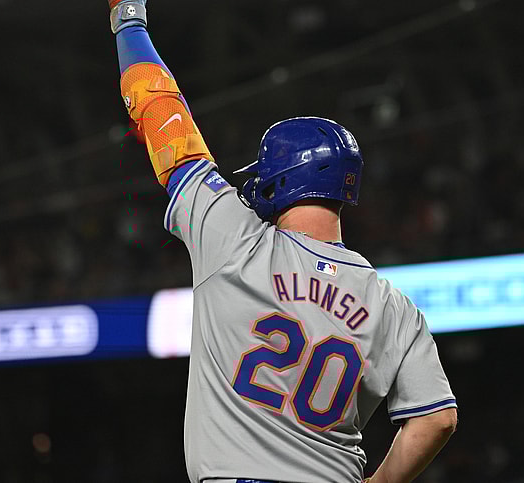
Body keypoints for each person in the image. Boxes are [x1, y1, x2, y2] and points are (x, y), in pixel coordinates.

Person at [107, 2, 459, 481]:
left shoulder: (232, 237)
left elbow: (160, 111)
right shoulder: (394, 307)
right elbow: (438, 418)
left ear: (279, 182)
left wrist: (128, 19)